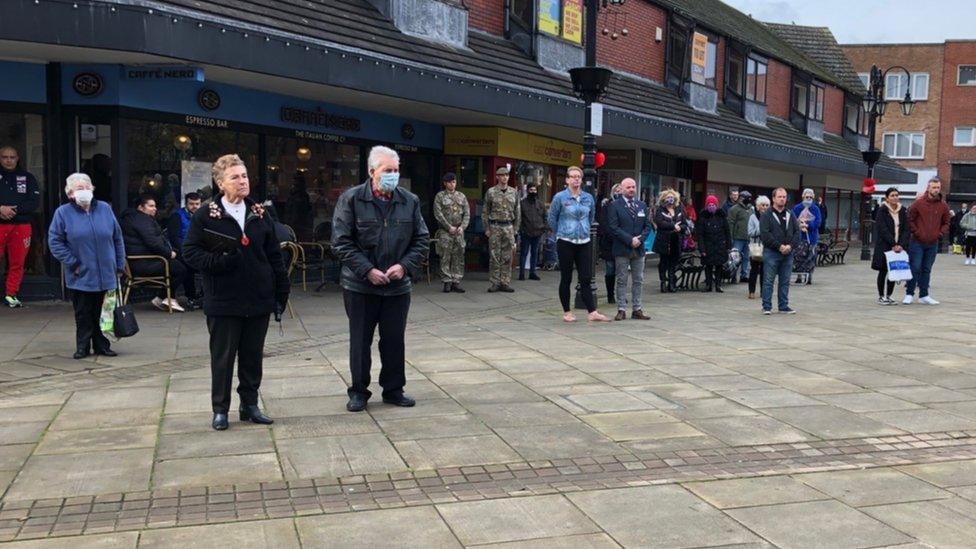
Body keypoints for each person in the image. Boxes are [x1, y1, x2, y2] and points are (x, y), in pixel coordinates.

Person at [182, 154, 290, 431]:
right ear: (221, 183)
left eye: (244, 176)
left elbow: (273, 255)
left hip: (258, 297)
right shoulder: (206, 214)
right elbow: (190, 253)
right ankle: (220, 409)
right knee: (223, 357)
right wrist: (220, 262)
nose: (242, 181)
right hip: (223, 298)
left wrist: (281, 290)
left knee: (253, 356)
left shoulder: (260, 213)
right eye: (235, 177)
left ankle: (250, 405)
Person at [331, 145, 429, 412]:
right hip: (360, 285)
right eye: (388, 171)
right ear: (372, 171)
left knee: (394, 340)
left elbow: (421, 240)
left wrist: (404, 266)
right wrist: (367, 270)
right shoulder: (351, 200)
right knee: (360, 341)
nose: (393, 175)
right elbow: (340, 242)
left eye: (396, 171)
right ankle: (359, 391)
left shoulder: (409, 201)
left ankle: (394, 389)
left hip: (397, 286)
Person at [48, 173, 125, 359]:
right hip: (81, 273)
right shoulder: (63, 213)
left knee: (104, 312)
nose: (84, 191)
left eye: (86, 187)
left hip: (106, 272)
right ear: (70, 193)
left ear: (92, 189)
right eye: (78, 188)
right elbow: (55, 242)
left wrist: (120, 264)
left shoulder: (105, 209)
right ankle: (82, 346)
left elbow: (117, 237)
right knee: (83, 313)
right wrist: (73, 263)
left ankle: (102, 345)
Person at [548, 166, 609, 323]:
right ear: (567, 179)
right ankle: (567, 312)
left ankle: (592, 311)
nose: (576, 179)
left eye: (578, 177)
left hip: (584, 241)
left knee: (586, 278)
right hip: (566, 241)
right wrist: (561, 232)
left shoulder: (588, 197)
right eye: (573, 176)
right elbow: (552, 219)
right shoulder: (560, 198)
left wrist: (585, 230)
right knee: (566, 277)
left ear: (581, 180)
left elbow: (591, 217)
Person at [120, 195, 187, 312]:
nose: (155, 208)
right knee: (180, 269)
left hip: (139, 261)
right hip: (143, 263)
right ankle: (167, 298)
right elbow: (153, 242)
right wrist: (169, 253)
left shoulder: (136, 218)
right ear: (141, 207)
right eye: (151, 206)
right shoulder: (142, 220)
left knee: (180, 261)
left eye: (155, 206)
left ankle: (162, 298)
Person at [0, 146, 40, 308]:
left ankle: (11, 294)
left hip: (21, 225)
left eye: (12, 157)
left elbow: (34, 202)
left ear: (17, 158)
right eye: (4, 157)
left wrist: (12, 210)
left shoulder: (28, 177)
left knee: (17, 262)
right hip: (0, 225)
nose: (8, 160)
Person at [606, 178, 652, 320]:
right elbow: (613, 227)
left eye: (633, 187)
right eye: (628, 187)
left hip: (638, 249)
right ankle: (621, 309)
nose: (631, 189)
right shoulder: (614, 205)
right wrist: (629, 239)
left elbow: (647, 226)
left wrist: (640, 239)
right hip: (622, 248)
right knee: (622, 279)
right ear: (622, 188)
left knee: (638, 279)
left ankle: (637, 309)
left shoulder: (642, 205)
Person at [904, 177, 950, 305]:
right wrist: (917, 232)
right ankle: (909, 293)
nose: (936, 190)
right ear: (928, 188)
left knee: (927, 269)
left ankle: (924, 295)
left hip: (933, 242)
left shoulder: (943, 205)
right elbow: (910, 219)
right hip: (917, 242)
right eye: (934, 187)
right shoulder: (918, 203)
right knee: (915, 267)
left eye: (938, 188)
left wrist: (939, 233)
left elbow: (946, 222)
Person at [759, 187, 800, 314]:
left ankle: (783, 306)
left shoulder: (790, 214)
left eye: (784, 197)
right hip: (772, 253)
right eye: (780, 197)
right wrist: (779, 246)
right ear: (773, 198)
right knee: (768, 280)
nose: (782, 199)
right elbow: (765, 235)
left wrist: (790, 246)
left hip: (788, 253)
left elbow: (797, 232)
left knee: (785, 281)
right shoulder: (767, 215)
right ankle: (767, 306)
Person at [484, 166, 520, 293]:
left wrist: (515, 229)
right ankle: (495, 282)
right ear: (497, 177)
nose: (505, 177)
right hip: (495, 226)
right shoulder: (491, 192)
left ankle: (505, 282)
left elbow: (517, 211)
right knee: (494, 255)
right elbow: (485, 211)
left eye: (507, 175)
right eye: (502, 175)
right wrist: (487, 228)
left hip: (508, 226)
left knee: (507, 256)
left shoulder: (513, 192)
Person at [871, 188, 909, 305]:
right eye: (892, 195)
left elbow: (906, 229)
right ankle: (881, 296)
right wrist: (893, 244)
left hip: (898, 247)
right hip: (885, 246)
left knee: (894, 272)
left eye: (896, 195)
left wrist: (900, 245)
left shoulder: (902, 210)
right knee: (883, 271)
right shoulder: (882, 210)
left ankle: (889, 295)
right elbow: (882, 229)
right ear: (887, 198)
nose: (895, 197)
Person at [433, 172, 469, 293]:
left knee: (458, 256)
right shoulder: (440, 196)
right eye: (449, 182)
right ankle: (447, 281)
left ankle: (456, 281)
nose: (452, 184)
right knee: (445, 256)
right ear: (445, 183)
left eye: (454, 182)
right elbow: (438, 214)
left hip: (459, 231)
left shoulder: (461, 196)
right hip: (446, 231)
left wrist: (462, 227)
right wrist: (448, 227)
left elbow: (467, 213)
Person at [167, 192, 203, 306]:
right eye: (191, 204)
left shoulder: (202, 215)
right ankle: (191, 296)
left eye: (197, 204)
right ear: (186, 204)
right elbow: (174, 237)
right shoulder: (177, 216)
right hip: (181, 251)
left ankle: (199, 296)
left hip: (199, 250)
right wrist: (184, 251)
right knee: (188, 267)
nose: (194, 206)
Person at [652, 189, 686, 293]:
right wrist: (673, 226)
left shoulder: (679, 209)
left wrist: (680, 228)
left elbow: (684, 223)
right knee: (664, 262)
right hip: (664, 240)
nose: (670, 199)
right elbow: (660, 222)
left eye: (672, 197)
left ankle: (671, 283)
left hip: (676, 240)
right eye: (668, 197)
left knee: (673, 262)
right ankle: (663, 282)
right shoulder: (660, 210)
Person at [695, 195, 731, 293]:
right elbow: (700, 235)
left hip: (720, 245)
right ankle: (708, 285)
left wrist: (728, 246)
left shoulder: (722, 217)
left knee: (719, 266)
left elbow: (727, 232)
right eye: (709, 205)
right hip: (708, 245)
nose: (711, 206)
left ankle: (718, 285)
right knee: (708, 266)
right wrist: (702, 249)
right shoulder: (703, 217)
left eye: (713, 204)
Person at [597, 183, 622, 303]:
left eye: (620, 190)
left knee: (621, 271)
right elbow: (603, 222)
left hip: (622, 243)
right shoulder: (607, 205)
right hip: (609, 243)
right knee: (610, 269)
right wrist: (612, 235)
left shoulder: (627, 205)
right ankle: (610, 295)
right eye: (616, 190)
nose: (618, 192)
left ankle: (620, 295)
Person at [792, 188, 822, 284]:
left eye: (810, 197)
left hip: (812, 238)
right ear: (803, 197)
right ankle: (799, 276)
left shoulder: (815, 208)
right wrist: (799, 225)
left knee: (810, 257)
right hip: (800, 237)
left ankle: (809, 276)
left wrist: (808, 225)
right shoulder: (797, 208)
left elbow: (818, 222)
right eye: (806, 197)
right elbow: (792, 220)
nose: (808, 198)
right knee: (798, 257)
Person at [518, 181, 546, 282]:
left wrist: (544, 228)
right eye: (531, 190)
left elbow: (544, 216)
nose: (533, 192)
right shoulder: (522, 203)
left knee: (535, 253)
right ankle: (521, 273)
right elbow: (519, 218)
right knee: (524, 253)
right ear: (527, 191)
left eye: (534, 190)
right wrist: (521, 230)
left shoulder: (540, 203)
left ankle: (532, 273)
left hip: (538, 232)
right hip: (526, 232)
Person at [746, 195, 770, 299]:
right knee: (754, 270)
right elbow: (750, 232)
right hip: (756, 245)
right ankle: (751, 291)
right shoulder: (753, 217)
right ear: (757, 206)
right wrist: (761, 228)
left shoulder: (770, 216)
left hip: (767, 246)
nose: (764, 207)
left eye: (766, 205)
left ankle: (763, 292)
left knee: (765, 271)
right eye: (762, 205)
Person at [727, 190, 754, 283]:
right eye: (746, 198)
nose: (748, 200)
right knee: (734, 257)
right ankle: (733, 275)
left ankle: (744, 275)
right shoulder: (734, 209)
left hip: (748, 237)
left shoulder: (752, 209)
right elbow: (730, 224)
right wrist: (730, 237)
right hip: (737, 237)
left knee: (746, 258)